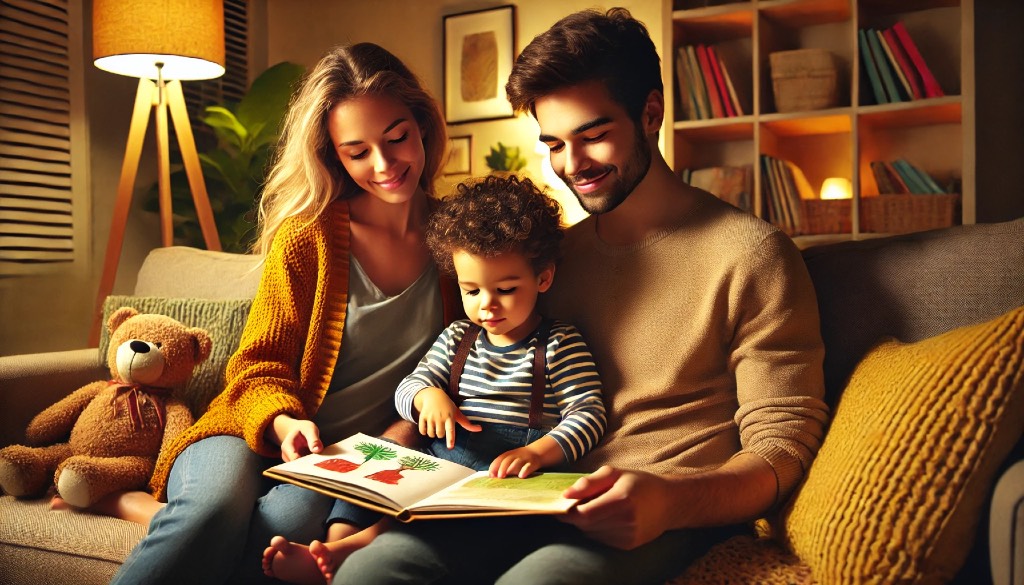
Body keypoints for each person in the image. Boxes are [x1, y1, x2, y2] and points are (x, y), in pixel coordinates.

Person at [334, 8, 829, 585]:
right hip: (517, 501)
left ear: (650, 113)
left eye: (593, 136)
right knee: (372, 571)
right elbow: (469, 369)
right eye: (554, 144)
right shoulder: (547, 260)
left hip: (655, 516)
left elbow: (783, 449)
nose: (573, 166)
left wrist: (672, 501)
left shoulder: (752, 255)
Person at [108, 42, 464, 585]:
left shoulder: (458, 241)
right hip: (251, 426)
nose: (385, 165)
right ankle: (163, 512)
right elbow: (256, 365)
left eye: (397, 138)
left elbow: (473, 357)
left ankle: (136, 509)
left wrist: (405, 429)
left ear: (423, 127)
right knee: (210, 510)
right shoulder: (309, 237)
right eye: (357, 151)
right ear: (332, 156)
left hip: (345, 459)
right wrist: (283, 418)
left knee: (286, 525)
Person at [263, 173, 607, 584]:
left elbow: (588, 412)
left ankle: (345, 554)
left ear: (543, 278)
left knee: (435, 513)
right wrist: (428, 397)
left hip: (502, 474)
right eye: (472, 290)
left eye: (507, 289)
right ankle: (337, 543)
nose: (488, 306)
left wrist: (541, 453)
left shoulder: (558, 343)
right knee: (373, 468)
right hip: (442, 457)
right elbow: (409, 385)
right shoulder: (459, 336)